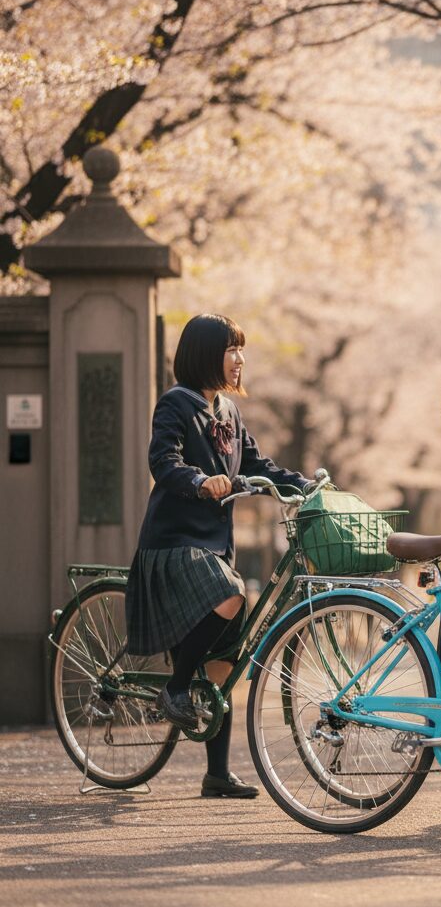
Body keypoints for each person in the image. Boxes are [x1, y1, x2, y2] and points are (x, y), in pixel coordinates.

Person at [125, 313, 312, 798]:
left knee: (226, 656)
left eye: (240, 350)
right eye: (232, 350)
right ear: (205, 354)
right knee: (233, 593)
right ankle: (175, 687)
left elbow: (256, 464)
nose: (239, 359)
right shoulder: (176, 404)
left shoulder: (228, 410)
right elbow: (163, 460)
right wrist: (199, 481)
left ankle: (217, 775)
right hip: (174, 544)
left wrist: (304, 485)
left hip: (214, 547)